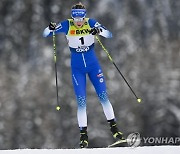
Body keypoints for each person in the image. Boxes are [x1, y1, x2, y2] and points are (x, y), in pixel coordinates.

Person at [43, 2, 125, 148]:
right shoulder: (67, 25)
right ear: (72, 17)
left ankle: (115, 129)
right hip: (77, 69)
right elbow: (46, 33)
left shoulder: (91, 23)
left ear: (85, 17)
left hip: (93, 66)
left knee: (103, 96)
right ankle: (83, 136)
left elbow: (109, 34)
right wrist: (49, 28)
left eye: (81, 19)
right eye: (76, 19)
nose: (79, 22)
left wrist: (99, 30)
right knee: (81, 102)